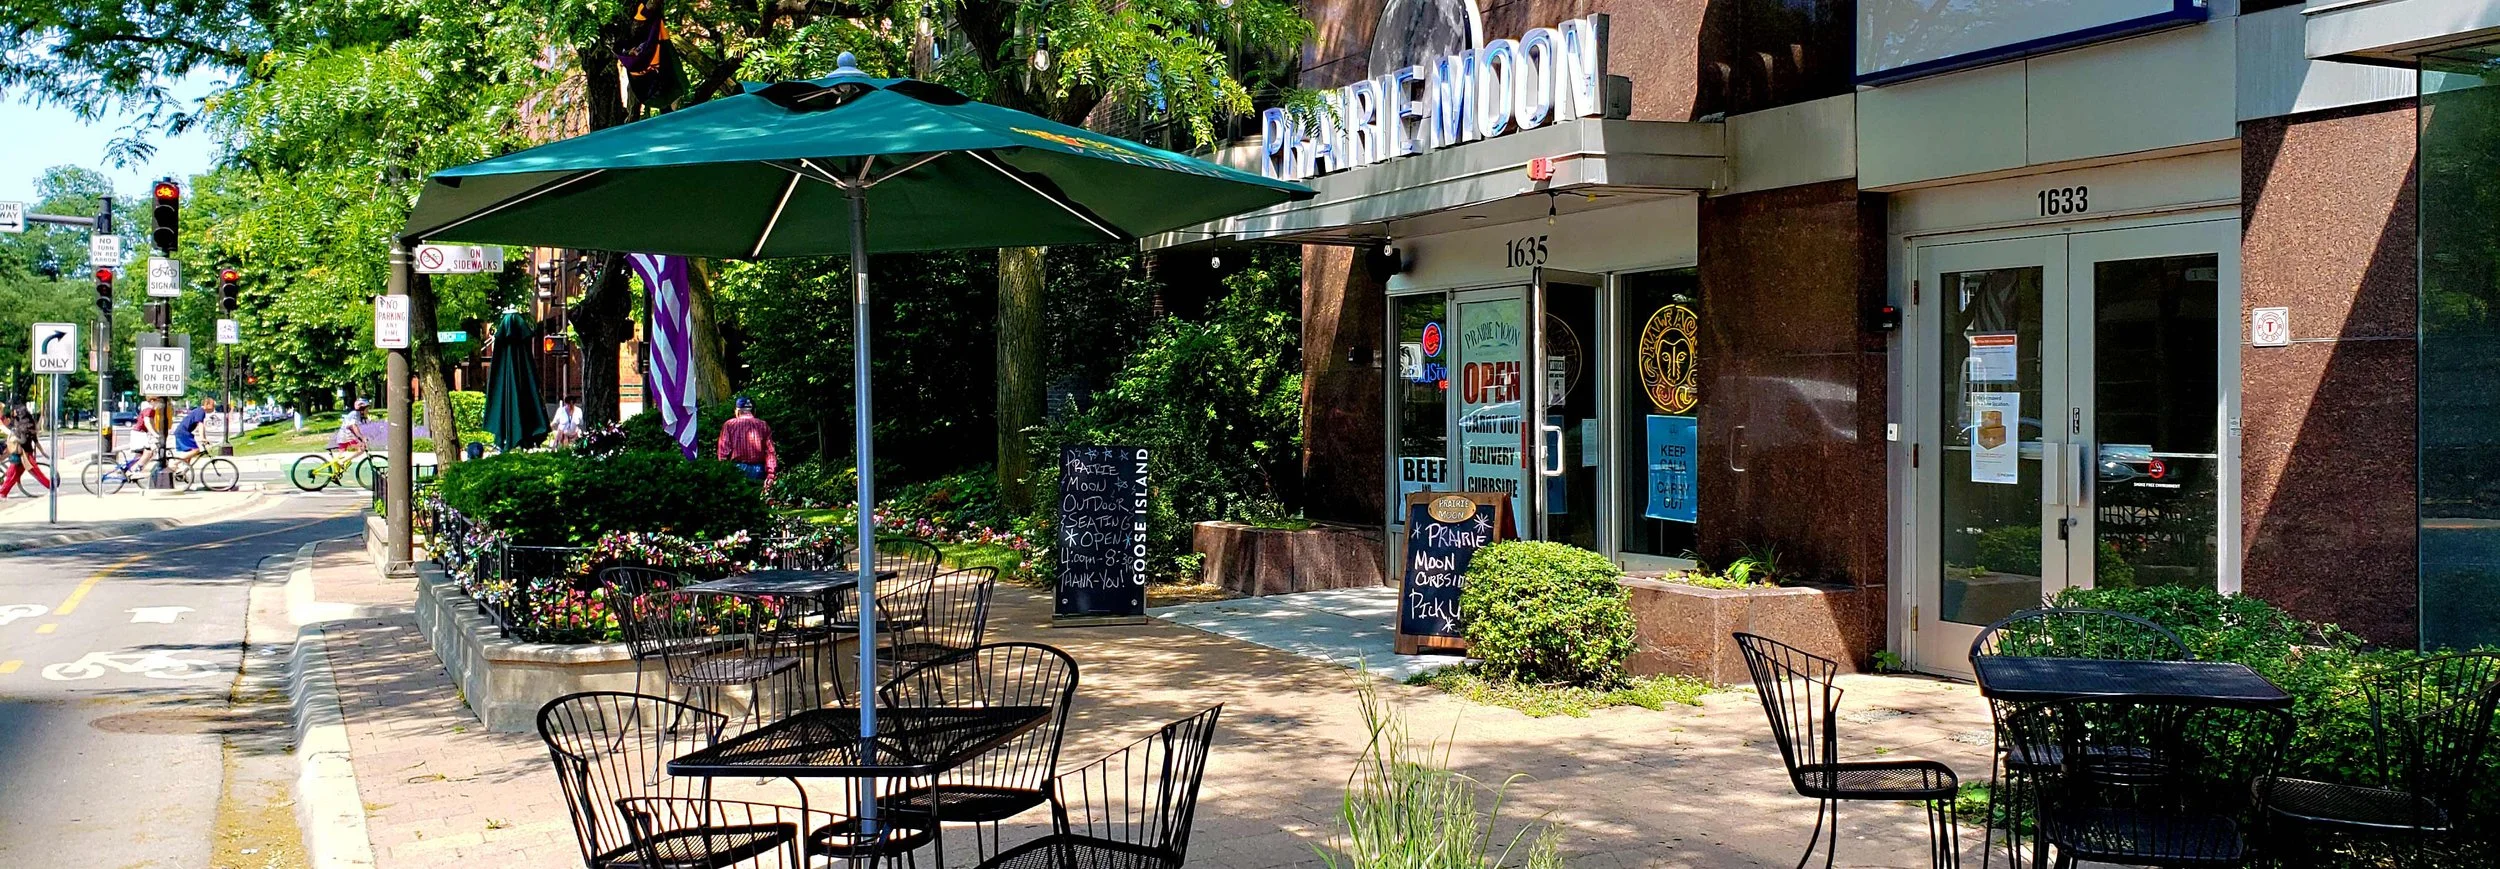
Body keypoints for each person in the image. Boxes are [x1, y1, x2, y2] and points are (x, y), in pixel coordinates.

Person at [715, 396, 778, 484]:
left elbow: (723, 451)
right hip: (758, 469)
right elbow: (770, 452)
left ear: (737, 411)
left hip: (737, 468)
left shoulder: (729, 425)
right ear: (754, 410)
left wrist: (724, 471)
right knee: (758, 495)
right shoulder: (763, 425)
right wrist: (771, 474)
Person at [0, 409, 50, 497]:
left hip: (24, 455)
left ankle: (51, 486)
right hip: (26, 453)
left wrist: (15, 438)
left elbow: (22, 441)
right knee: (14, 475)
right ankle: (3, 492)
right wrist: (42, 452)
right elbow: (36, 441)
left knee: (32, 473)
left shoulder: (21, 426)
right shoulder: (30, 425)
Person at [172, 398, 216, 489]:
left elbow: (199, 425)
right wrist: (203, 438)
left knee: (189, 457)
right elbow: (200, 425)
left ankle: (183, 475)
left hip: (184, 432)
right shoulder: (201, 411)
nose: (214, 408)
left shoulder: (198, 411)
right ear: (207, 404)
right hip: (183, 432)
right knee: (196, 450)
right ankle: (175, 463)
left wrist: (203, 437)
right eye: (213, 405)